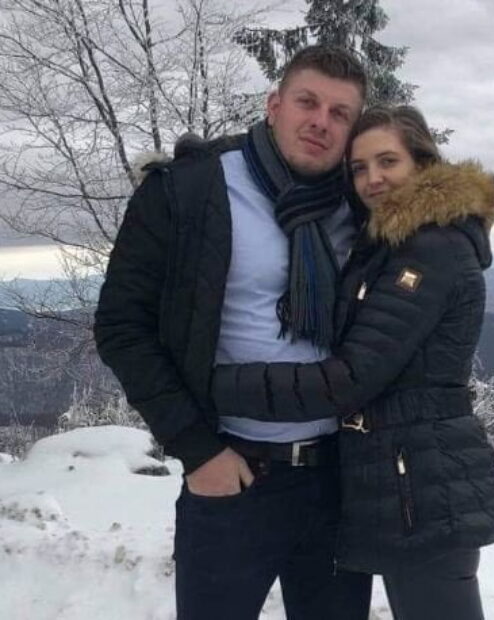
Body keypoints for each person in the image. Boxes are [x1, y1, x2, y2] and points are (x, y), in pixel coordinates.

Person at [93, 46, 372, 619]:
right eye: (308, 102)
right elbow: (122, 326)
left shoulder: (359, 203)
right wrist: (198, 451)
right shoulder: (189, 190)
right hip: (235, 472)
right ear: (274, 105)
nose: (321, 121)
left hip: (339, 477)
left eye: (340, 113)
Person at [211, 105, 494, 620]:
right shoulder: (389, 244)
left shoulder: (431, 247)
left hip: (425, 483)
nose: (372, 179)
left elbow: (348, 379)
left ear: (422, 163)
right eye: (359, 168)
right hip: (407, 478)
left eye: (387, 161)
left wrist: (217, 386)